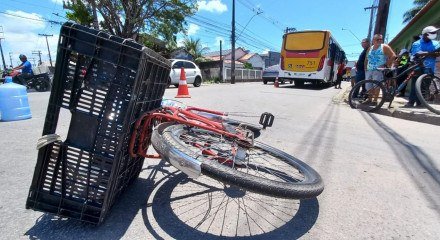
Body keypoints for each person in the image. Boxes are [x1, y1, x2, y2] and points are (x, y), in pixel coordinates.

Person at [405, 26, 440, 107]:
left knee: (425, 86)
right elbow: (417, 54)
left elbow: (438, 53)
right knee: (415, 84)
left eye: (435, 32)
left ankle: (420, 103)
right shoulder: (417, 43)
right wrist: (432, 53)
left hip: (430, 67)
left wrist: (426, 53)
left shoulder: (436, 43)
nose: (434, 34)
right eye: (432, 33)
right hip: (418, 66)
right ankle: (411, 102)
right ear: (425, 34)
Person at [364, 34, 396, 104]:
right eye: (377, 39)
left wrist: (387, 63)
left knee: (377, 85)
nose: (379, 41)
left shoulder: (384, 47)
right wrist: (365, 68)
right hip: (369, 69)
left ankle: (375, 100)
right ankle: (369, 99)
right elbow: (366, 59)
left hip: (379, 69)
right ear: (373, 40)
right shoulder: (370, 48)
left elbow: (393, 55)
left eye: (381, 39)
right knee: (368, 85)